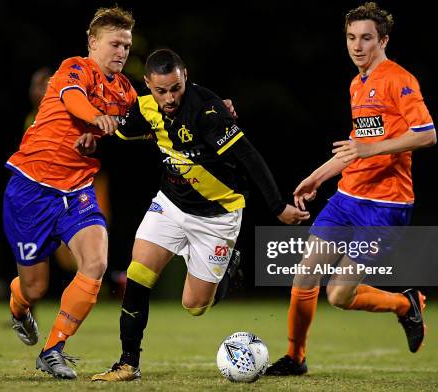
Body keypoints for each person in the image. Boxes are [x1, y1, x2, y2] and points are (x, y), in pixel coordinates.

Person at [85, 48, 309, 382]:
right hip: (171, 205)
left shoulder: (207, 111)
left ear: (185, 76)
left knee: (194, 306)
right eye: (161, 90)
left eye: (175, 88)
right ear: (148, 84)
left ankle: (227, 267)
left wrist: (278, 207)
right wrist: (93, 135)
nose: (169, 97)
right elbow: (122, 129)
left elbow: (248, 155)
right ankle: (128, 363)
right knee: (138, 276)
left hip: (217, 215)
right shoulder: (146, 107)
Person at [265, 2, 437, 376]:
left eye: (366, 38)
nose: (357, 46)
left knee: (339, 295)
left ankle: (406, 306)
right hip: (347, 198)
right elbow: (358, 143)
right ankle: (295, 358)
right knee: (305, 272)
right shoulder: (358, 84)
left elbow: (426, 135)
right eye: (351, 38)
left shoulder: (398, 79)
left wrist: (370, 149)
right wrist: (319, 175)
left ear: (383, 40)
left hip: (385, 206)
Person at [2, 6, 135, 379]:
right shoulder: (74, 68)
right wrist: (96, 119)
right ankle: (18, 306)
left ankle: (53, 348)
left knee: (95, 263)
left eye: (126, 45)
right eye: (115, 43)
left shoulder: (124, 91)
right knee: (35, 287)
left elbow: (153, 117)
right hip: (31, 190)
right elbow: (74, 100)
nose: (122, 52)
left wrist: (206, 109)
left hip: (77, 190)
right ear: (93, 43)